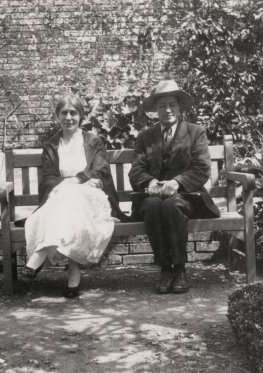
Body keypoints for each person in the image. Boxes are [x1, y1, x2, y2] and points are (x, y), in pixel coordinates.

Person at [22, 95, 125, 298]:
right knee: (68, 204)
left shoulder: (93, 141)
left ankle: (39, 255)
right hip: (63, 198)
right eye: (64, 113)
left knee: (69, 196)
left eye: (73, 113)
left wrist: (75, 181)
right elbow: (48, 178)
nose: (68, 117)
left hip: (92, 197)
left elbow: (101, 170)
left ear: (81, 116)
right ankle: (73, 275)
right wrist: (68, 185)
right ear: (57, 116)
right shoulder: (51, 145)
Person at [129, 80, 220, 294]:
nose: (167, 110)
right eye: (162, 106)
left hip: (188, 197)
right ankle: (165, 269)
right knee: (152, 206)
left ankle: (179, 269)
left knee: (172, 205)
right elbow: (136, 170)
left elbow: (202, 168)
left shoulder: (195, 132)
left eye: (172, 104)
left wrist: (177, 183)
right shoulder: (146, 137)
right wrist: (149, 182)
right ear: (156, 110)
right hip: (154, 197)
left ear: (179, 107)